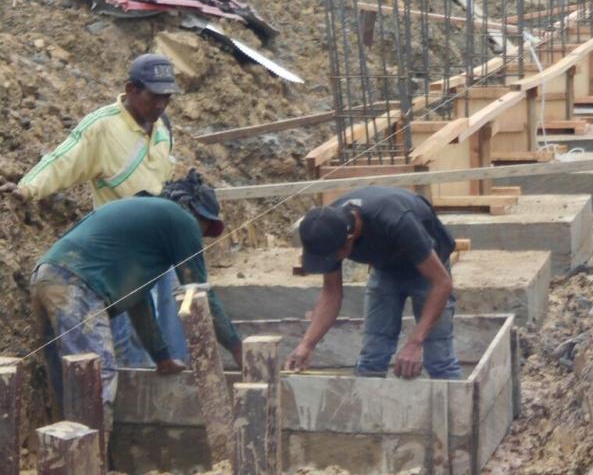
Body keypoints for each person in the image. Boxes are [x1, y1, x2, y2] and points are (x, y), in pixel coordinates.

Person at [1, 53, 188, 364]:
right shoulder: (102, 127)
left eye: (166, 98)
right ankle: (128, 394)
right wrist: (27, 187)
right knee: (124, 330)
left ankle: (172, 378)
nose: (160, 105)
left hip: (157, 246)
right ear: (131, 89)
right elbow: (64, 159)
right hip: (119, 252)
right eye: (154, 97)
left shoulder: (162, 128)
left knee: (170, 321)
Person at [30, 170, 242, 434]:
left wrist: (161, 357)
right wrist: (236, 346)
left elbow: (138, 304)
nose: (200, 238)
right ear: (194, 212)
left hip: (46, 275)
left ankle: (68, 461)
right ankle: (91, 462)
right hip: (77, 284)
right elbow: (199, 295)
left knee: (66, 379)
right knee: (96, 377)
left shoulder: (147, 227)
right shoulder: (182, 220)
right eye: (205, 228)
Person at [285, 186, 461, 380]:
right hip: (386, 268)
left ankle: (460, 409)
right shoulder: (327, 228)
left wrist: (414, 343)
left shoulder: (397, 221)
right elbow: (331, 293)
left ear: (348, 242)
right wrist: (306, 345)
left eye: (330, 258)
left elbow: (442, 283)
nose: (329, 262)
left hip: (429, 272)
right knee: (372, 359)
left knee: (439, 360)